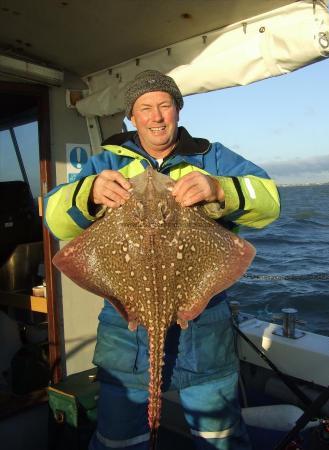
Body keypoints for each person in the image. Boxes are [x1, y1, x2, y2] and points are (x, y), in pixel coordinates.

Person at [44, 70, 280, 450]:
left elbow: (270, 201)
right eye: (145, 108)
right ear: (131, 118)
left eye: (165, 106)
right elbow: (54, 217)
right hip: (127, 329)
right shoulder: (105, 162)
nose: (156, 117)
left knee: (219, 438)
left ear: (178, 111)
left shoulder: (211, 155)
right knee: (119, 438)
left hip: (205, 323)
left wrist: (220, 188)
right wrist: (88, 192)